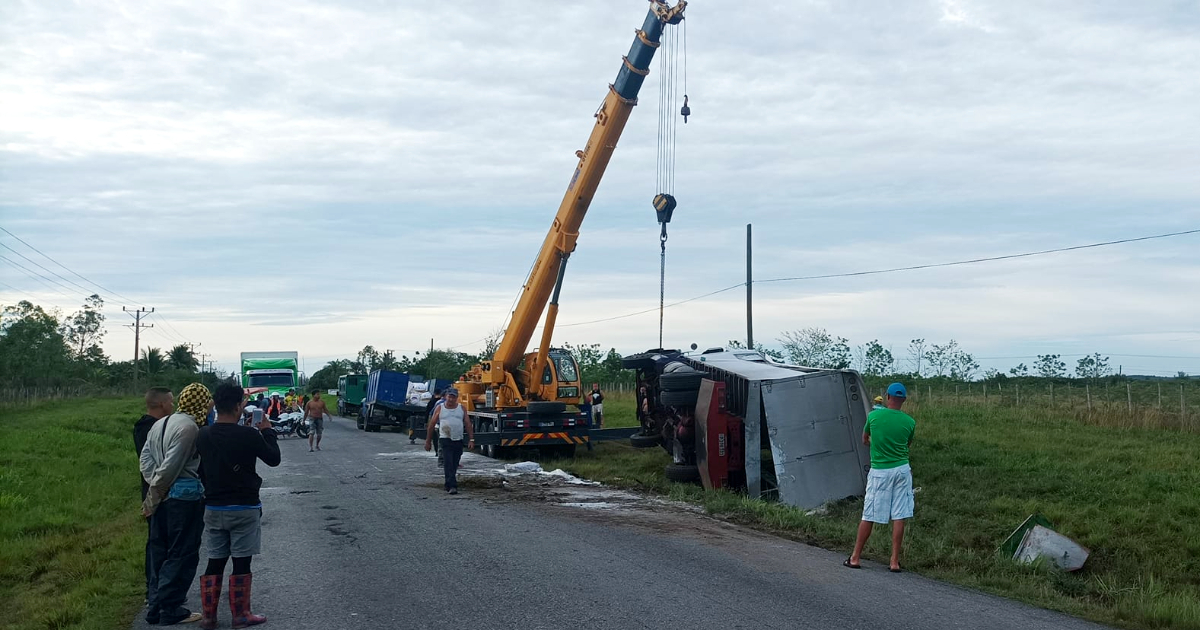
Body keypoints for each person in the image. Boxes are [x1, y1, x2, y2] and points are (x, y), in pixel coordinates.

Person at [196, 383, 281, 629]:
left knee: (215, 559)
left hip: (213, 507)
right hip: (244, 506)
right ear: (237, 406)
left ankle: (208, 617)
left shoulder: (203, 434)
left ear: (216, 404)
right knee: (241, 562)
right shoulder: (249, 435)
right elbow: (273, 459)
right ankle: (241, 615)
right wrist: (267, 431)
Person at [140, 383, 212, 626]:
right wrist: (155, 495)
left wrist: (155, 487)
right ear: (201, 403)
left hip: (163, 496)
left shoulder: (160, 423)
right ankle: (171, 608)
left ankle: (155, 606)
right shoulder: (189, 428)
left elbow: (146, 459)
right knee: (182, 552)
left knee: (159, 551)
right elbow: (172, 466)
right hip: (183, 498)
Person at [846, 382, 916, 573]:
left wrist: (877, 444)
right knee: (899, 515)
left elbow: (865, 439)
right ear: (903, 400)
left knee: (869, 513)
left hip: (880, 471)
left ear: (888, 397)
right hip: (902, 470)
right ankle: (894, 561)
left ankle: (855, 557)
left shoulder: (874, 416)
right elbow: (906, 445)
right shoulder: (910, 422)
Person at [135, 387, 174, 603]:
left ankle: (158, 589)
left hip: (157, 490)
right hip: (155, 492)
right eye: (171, 401)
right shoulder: (149, 428)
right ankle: (154, 592)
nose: (173, 406)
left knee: (161, 541)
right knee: (157, 543)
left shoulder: (152, 426)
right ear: (161, 404)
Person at [424, 387, 473, 494]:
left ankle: (448, 483)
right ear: (446, 396)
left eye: (453, 397)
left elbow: (468, 424)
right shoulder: (440, 408)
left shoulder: (461, 408)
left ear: (456, 398)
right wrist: (428, 441)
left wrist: (471, 439)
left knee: (455, 462)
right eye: (449, 397)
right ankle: (452, 486)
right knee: (448, 462)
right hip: (445, 438)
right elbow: (431, 425)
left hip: (458, 439)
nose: (451, 399)